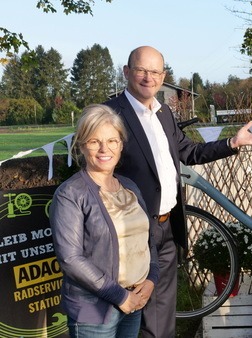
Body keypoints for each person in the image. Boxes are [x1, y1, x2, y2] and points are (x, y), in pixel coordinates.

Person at [104, 45, 252, 338]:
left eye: (155, 72)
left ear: (163, 75)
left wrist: (233, 143)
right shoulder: (111, 114)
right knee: (133, 311)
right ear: (127, 72)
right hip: (131, 230)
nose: (148, 77)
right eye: (141, 70)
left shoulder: (164, 112)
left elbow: (189, 151)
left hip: (168, 226)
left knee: (163, 309)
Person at [50, 104, 159, 338]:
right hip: (94, 310)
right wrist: (120, 296)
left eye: (112, 141)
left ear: (120, 145)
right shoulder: (70, 194)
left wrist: (151, 278)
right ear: (81, 145)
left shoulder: (129, 187)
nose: (104, 149)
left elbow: (147, 239)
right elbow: (70, 258)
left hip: (133, 302)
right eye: (94, 141)